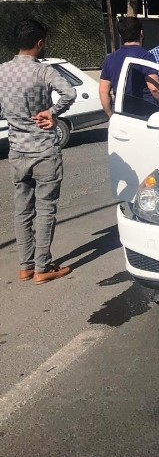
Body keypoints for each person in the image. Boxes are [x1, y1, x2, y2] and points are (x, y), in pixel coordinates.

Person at [0, 19, 77, 283]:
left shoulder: (2, 71)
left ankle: (26, 266)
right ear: (40, 43)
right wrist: (52, 113)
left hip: (17, 150)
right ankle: (43, 267)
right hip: (43, 149)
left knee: (22, 210)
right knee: (46, 209)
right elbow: (69, 93)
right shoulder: (43, 72)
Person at [99, 17, 159, 118]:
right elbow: (154, 88)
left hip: (121, 113)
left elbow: (103, 91)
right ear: (141, 33)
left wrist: (111, 116)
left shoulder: (110, 59)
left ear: (120, 35)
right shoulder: (146, 56)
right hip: (145, 114)